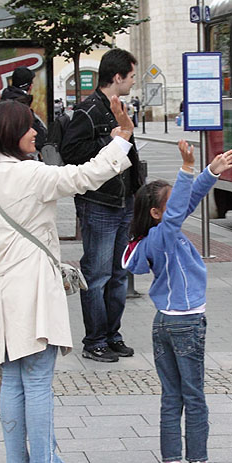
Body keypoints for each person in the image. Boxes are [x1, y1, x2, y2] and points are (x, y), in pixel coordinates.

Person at [0, 98, 135, 463]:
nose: (35, 133)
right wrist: (121, 139)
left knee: (11, 379)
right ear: (12, 132)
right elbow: (84, 176)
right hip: (32, 289)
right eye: (28, 126)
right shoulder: (31, 175)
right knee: (38, 379)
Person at [121, 140, 232, 463]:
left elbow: (184, 203)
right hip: (187, 323)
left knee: (172, 395)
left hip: (164, 323)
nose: (179, 210)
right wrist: (187, 168)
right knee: (194, 393)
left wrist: (209, 173)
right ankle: (198, 462)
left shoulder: (156, 235)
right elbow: (178, 212)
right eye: (170, 206)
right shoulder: (163, 236)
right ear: (157, 214)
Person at [60, 49, 145, 363]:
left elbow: (130, 155)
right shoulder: (88, 111)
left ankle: (113, 336)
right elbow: (71, 151)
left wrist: (137, 195)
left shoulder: (119, 108)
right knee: (96, 276)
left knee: (119, 274)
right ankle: (94, 340)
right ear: (118, 77)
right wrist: (108, 141)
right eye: (132, 76)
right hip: (98, 202)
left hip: (123, 202)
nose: (133, 82)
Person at [1, 67, 48, 152]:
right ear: (30, 86)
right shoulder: (20, 106)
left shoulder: (4, 102)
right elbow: (39, 138)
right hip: (20, 155)